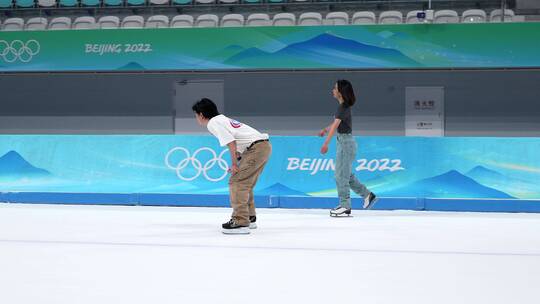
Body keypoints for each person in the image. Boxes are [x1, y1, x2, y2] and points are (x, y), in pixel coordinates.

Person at [192, 98, 271, 234]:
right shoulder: (221, 119)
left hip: (256, 149)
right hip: (261, 147)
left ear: (201, 114)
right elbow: (239, 140)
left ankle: (240, 221)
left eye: (195, 115)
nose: (196, 118)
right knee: (245, 183)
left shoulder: (213, 123)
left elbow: (231, 143)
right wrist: (238, 159)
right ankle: (249, 217)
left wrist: (234, 164)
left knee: (237, 182)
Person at [318, 80, 377, 216]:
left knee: (340, 176)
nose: (332, 90)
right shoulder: (343, 107)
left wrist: (326, 143)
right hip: (345, 142)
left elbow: (335, 126)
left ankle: (345, 206)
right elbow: (336, 124)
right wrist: (325, 130)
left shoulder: (342, 107)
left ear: (340, 92)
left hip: (345, 143)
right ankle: (368, 195)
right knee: (346, 176)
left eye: (334, 88)